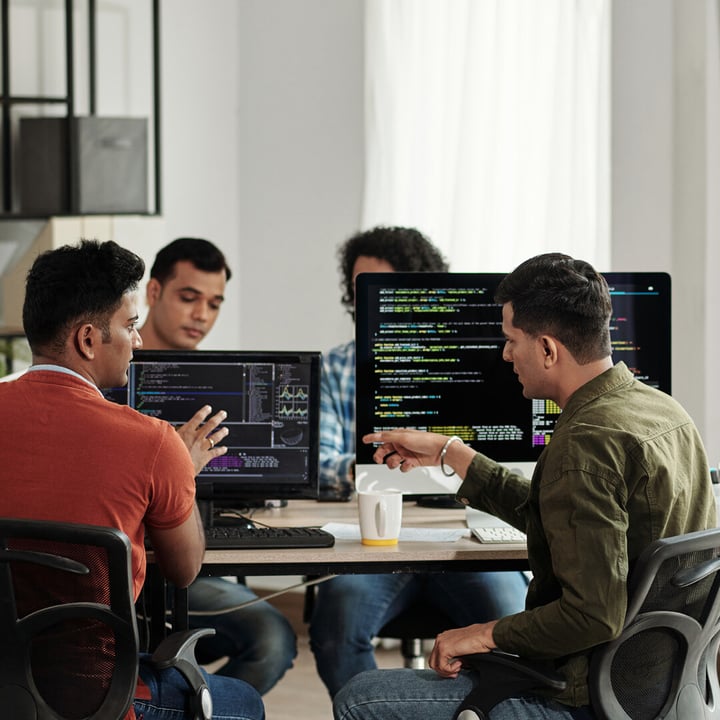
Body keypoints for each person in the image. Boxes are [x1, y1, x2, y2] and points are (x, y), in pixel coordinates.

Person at [333, 252, 717, 720]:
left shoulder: (584, 444)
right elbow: (556, 515)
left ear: (549, 349)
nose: (506, 354)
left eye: (512, 340)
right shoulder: (663, 411)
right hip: (663, 686)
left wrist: (480, 634)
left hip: (585, 696)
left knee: (361, 697)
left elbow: (591, 615)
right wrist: (451, 453)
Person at [0, 239, 264, 720]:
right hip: (99, 699)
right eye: (130, 325)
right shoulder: (154, 442)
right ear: (86, 339)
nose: (137, 341)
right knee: (244, 702)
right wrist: (182, 470)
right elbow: (184, 570)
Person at [310, 226, 529, 697]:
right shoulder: (338, 367)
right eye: (360, 289)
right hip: (377, 543)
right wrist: (377, 466)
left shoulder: (488, 364)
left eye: (385, 291)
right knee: (336, 625)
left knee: (517, 620)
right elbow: (323, 464)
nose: (370, 301)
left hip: (472, 538)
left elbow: (509, 462)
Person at [139, 237, 297, 695]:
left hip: (193, 563)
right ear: (153, 292)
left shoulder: (220, 385)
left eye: (214, 303)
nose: (202, 315)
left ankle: (196, 708)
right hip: (121, 568)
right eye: (189, 298)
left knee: (273, 638)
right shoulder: (113, 374)